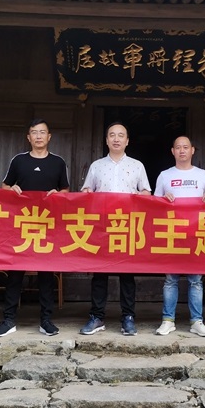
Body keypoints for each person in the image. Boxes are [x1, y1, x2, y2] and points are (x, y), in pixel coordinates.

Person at [0, 119, 69, 338]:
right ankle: (8, 319)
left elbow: (65, 190)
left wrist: (58, 194)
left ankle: (46, 320)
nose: (38, 136)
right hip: (21, 225)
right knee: (15, 273)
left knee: (46, 274)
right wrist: (12, 189)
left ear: (49, 137)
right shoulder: (19, 160)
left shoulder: (58, 162)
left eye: (42, 132)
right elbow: (4, 186)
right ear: (28, 137)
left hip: (47, 226)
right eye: (34, 132)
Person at [79, 122, 151, 336]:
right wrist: (86, 193)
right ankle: (97, 316)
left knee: (127, 274)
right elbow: (86, 191)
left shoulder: (137, 165)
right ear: (107, 140)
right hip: (102, 226)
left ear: (127, 141)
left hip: (127, 226)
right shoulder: (97, 165)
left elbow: (147, 192)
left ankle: (128, 317)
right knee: (99, 274)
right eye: (112, 135)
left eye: (121, 135)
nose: (116, 139)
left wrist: (139, 196)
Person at [154, 136, 205, 337]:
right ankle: (167, 320)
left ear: (192, 150)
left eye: (185, 147)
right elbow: (153, 205)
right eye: (178, 147)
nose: (182, 151)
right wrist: (163, 199)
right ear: (172, 151)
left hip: (196, 234)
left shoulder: (202, 174)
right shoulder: (164, 175)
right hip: (172, 234)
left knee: (195, 280)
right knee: (170, 280)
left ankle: (197, 321)